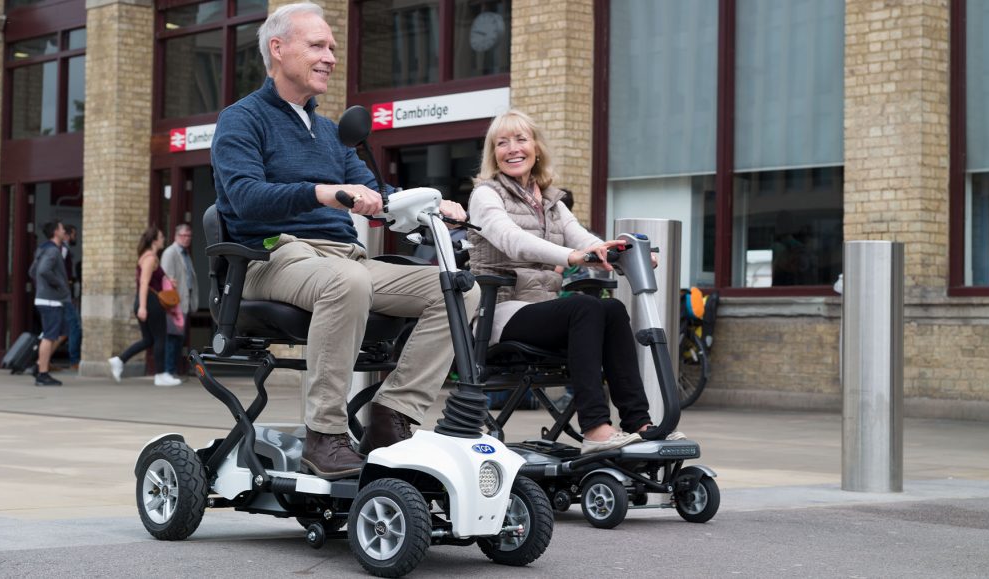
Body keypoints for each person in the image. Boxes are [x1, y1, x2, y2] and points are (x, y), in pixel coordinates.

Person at [210, 2, 478, 480]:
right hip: (272, 255)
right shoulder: (241, 119)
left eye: (332, 48)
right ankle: (324, 434)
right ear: (278, 48)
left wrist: (432, 205)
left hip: (343, 258)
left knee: (458, 289)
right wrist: (324, 192)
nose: (331, 57)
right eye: (318, 45)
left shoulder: (332, 132)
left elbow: (376, 194)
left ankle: (391, 415)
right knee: (348, 280)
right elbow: (245, 198)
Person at [466, 109, 681, 455]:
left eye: (521, 139)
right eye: (502, 143)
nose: (512, 149)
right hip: (499, 312)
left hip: (542, 312)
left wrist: (625, 255)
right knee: (584, 307)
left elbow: (583, 239)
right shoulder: (485, 195)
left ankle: (639, 424)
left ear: (536, 147)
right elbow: (512, 240)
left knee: (611, 309)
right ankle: (595, 428)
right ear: (493, 153)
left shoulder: (550, 201)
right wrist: (572, 256)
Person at [108, 227, 182, 387]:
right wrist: (142, 307)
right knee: (160, 338)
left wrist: (168, 282)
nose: (163, 239)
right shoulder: (150, 258)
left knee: (148, 339)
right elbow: (144, 283)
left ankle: (119, 360)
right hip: (150, 303)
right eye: (161, 237)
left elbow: (152, 281)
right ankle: (160, 375)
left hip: (146, 302)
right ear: (154, 241)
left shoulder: (148, 256)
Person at [31, 221, 69, 386]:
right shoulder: (53, 251)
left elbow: (32, 271)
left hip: (47, 298)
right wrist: (59, 284)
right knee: (49, 336)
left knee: (58, 333)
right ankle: (42, 374)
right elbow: (42, 271)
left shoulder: (42, 249)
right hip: (50, 300)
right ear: (55, 232)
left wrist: (42, 287)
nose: (64, 231)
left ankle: (41, 366)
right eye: (62, 228)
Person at [160, 223, 198, 378]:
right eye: (183, 235)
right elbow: (166, 279)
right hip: (173, 303)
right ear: (176, 236)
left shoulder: (185, 253)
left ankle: (173, 371)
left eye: (189, 236)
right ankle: (168, 371)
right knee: (172, 338)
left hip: (184, 301)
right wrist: (170, 303)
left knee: (179, 338)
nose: (186, 238)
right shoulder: (170, 253)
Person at [60, 224, 82, 369]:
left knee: (61, 328)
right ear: (67, 235)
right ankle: (74, 360)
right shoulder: (62, 249)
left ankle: (43, 360)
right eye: (74, 235)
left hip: (63, 292)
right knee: (74, 326)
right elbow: (59, 269)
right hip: (63, 294)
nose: (76, 237)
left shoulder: (64, 249)